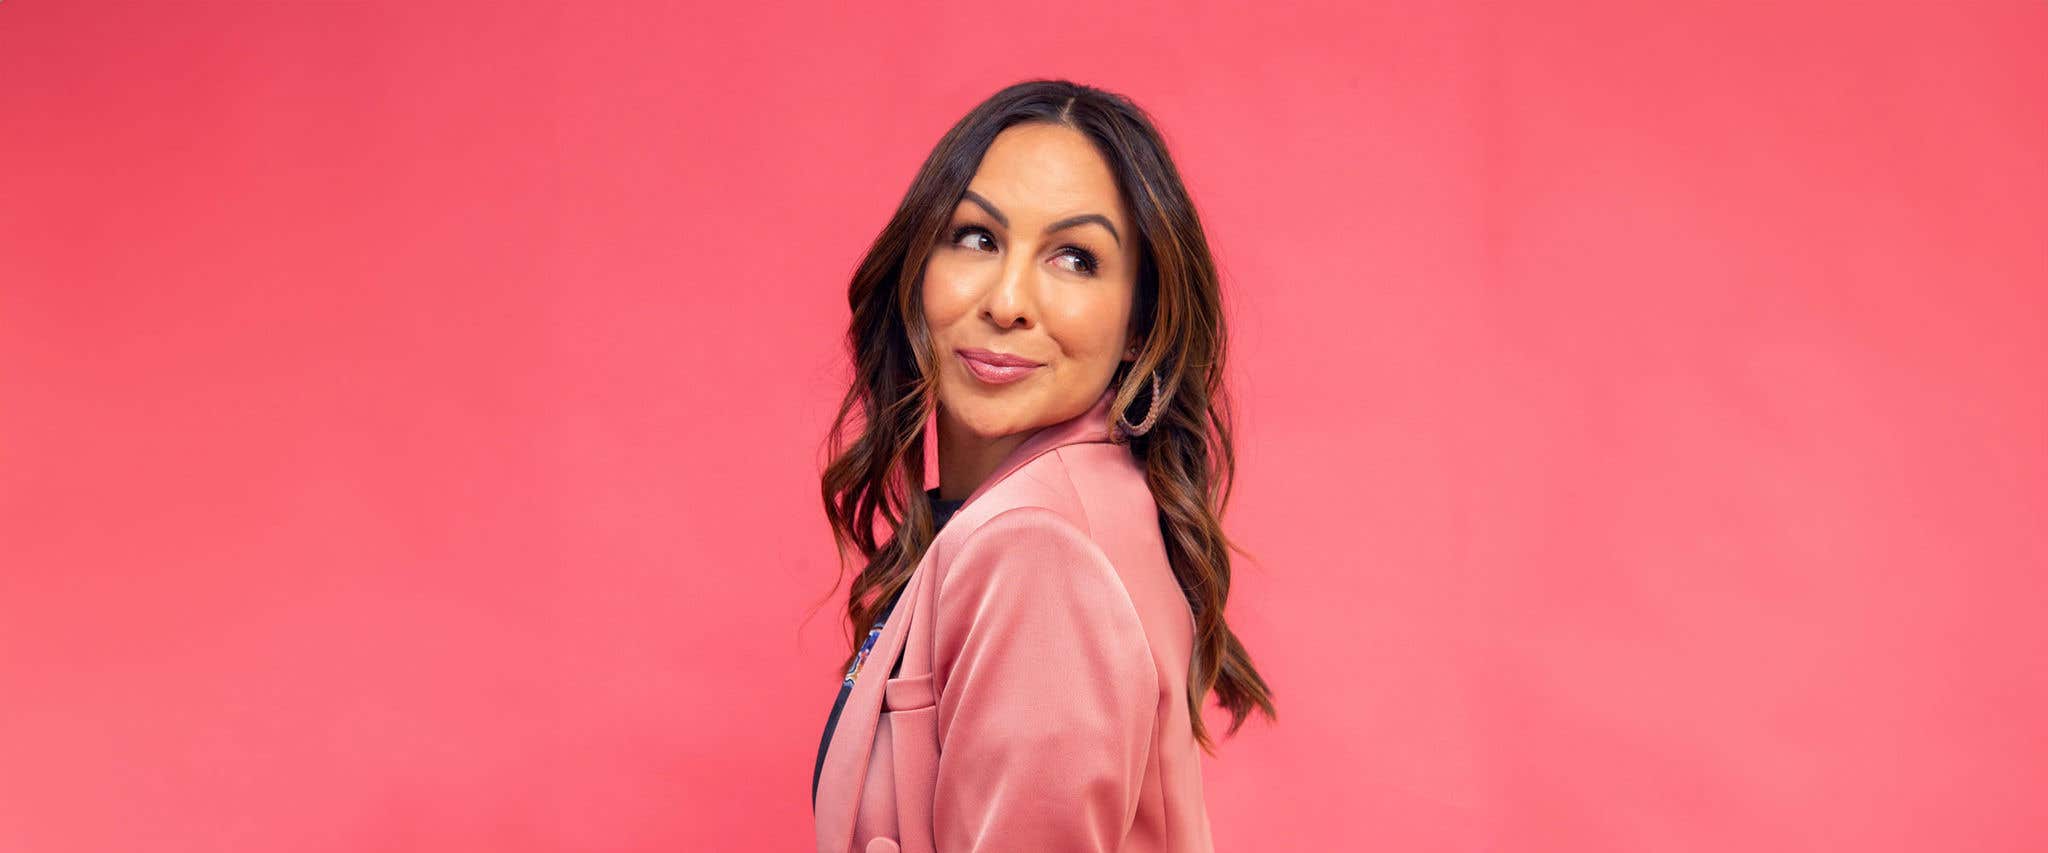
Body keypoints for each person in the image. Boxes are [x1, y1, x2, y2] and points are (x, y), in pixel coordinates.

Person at [812, 79, 1275, 853]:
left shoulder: (1034, 545)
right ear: (918, 267)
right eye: (977, 238)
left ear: (1140, 324)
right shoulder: (1091, 504)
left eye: (1074, 257)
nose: (1009, 300)